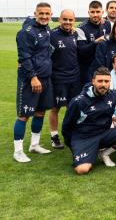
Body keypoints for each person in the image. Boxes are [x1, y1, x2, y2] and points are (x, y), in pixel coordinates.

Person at [61, 67, 116, 174]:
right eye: (100, 81)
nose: (103, 84)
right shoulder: (79, 101)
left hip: (104, 134)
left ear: (110, 82)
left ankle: (104, 153)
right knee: (82, 170)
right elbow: (66, 126)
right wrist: (72, 145)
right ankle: (89, 153)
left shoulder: (113, 95)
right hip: (84, 138)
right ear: (93, 81)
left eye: (106, 81)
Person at [13, 2, 54, 163]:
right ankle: (18, 151)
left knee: (40, 112)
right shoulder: (26, 32)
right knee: (24, 115)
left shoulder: (47, 29)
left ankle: (34, 144)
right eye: (41, 13)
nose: (44, 16)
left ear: (51, 15)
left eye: (47, 14)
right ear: (35, 13)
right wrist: (33, 77)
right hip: (31, 79)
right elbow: (24, 57)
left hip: (45, 78)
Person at [48, 9, 81, 149]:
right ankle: (54, 136)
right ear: (59, 19)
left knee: (72, 108)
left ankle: (71, 133)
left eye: (70, 19)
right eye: (65, 19)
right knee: (55, 108)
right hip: (58, 79)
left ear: (74, 20)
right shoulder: (51, 35)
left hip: (75, 78)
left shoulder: (75, 33)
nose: (68, 22)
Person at [76, 0, 112, 83]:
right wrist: (96, 42)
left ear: (102, 12)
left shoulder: (107, 24)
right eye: (92, 12)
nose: (95, 14)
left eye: (98, 12)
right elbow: (82, 51)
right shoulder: (81, 28)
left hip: (103, 67)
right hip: (87, 68)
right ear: (88, 12)